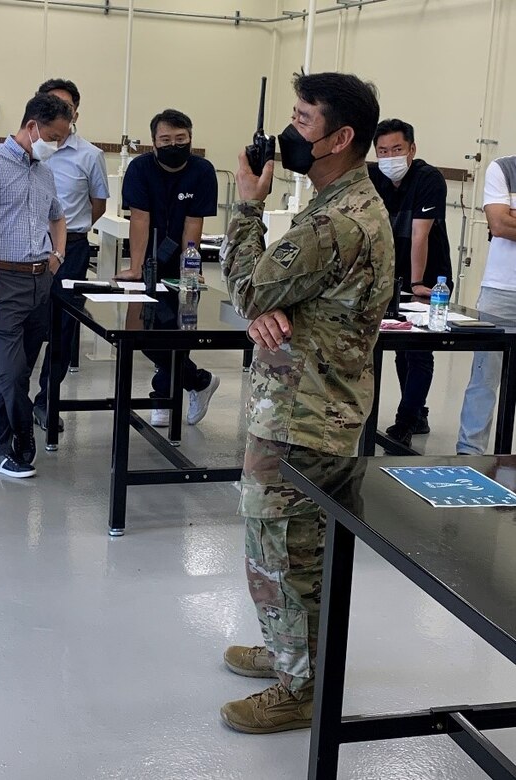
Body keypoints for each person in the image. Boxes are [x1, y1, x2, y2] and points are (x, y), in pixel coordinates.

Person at [218, 72, 394, 734]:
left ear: (340, 138)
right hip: (307, 403)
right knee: (282, 543)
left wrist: (244, 207)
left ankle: (299, 687)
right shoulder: (342, 208)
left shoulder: (334, 223)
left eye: (302, 123)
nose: (288, 135)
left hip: (304, 416)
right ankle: (287, 647)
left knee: (284, 545)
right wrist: (262, 304)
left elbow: (252, 286)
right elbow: (266, 296)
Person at [0, 93, 71, 478]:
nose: (58, 144)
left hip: (39, 281)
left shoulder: (44, 172)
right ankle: (21, 438)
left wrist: (56, 256)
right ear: (32, 127)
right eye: (55, 136)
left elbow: (58, 217)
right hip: (2, 281)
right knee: (9, 370)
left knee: (18, 371)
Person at [116, 109, 220, 427]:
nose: (173, 144)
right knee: (143, 334)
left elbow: (193, 224)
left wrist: (189, 267)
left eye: (180, 138)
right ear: (153, 142)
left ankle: (163, 396)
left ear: (190, 138)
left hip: (181, 263)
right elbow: (140, 219)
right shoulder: (140, 169)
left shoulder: (202, 171)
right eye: (166, 139)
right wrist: (135, 268)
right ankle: (199, 380)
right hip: (147, 262)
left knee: (177, 330)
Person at [32, 78, 110, 431]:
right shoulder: (28, 149)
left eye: (64, 107)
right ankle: (8, 404)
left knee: (64, 327)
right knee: (25, 324)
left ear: (75, 112)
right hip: (29, 248)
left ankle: (47, 400)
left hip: (74, 249)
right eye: (50, 105)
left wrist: (69, 234)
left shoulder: (90, 156)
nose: (57, 113)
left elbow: (98, 204)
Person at [369, 119, 453, 447]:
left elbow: (420, 235)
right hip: (390, 277)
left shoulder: (428, 178)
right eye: (383, 151)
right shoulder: (374, 177)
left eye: (397, 150)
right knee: (399, 350)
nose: (389, 157)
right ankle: (418, 412)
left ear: (412, 149)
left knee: (418, 351)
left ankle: (405, 422)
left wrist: (417, 282)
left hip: (429, 280)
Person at [457, 155, 516, 454]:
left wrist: (511, 216)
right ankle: (470, 453)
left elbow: (508, 220)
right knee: (484, 379)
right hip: (501, 292)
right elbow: (499, 223)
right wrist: (506, 219)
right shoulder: (503, 168)